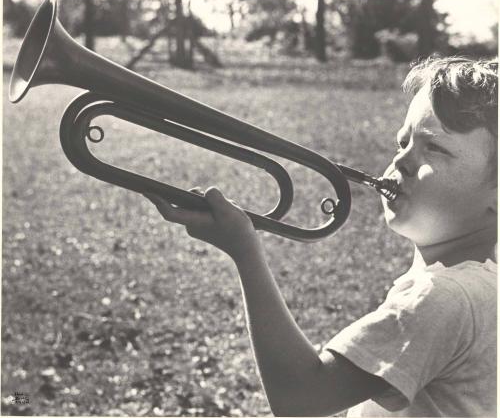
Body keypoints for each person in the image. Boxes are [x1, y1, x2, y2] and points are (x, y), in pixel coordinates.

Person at [144, 56, 497, 417]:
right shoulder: (480, 286)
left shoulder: (443, 299)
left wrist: (244, 251)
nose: (401, 160)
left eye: (434, 147)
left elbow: (299, 397)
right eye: (402, 142)